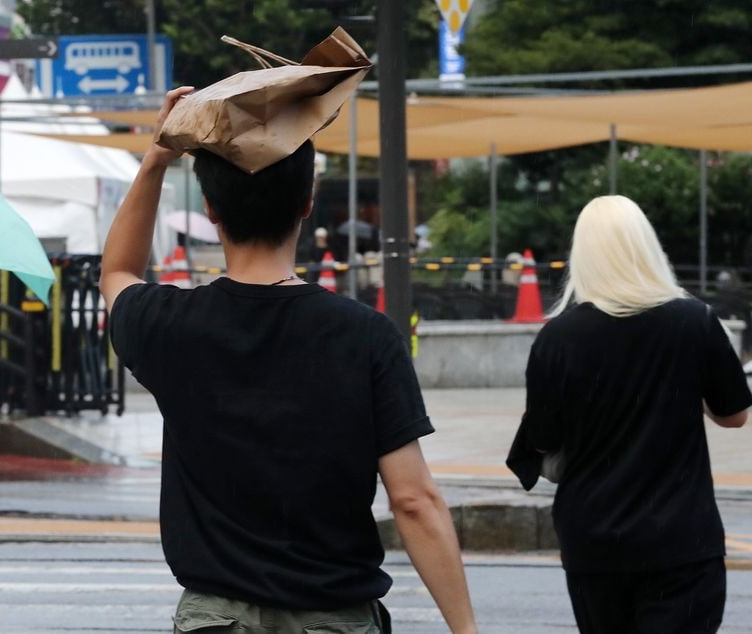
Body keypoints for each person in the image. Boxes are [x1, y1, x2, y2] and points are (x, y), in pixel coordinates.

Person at [101, 88, 477, 633]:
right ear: (308, 202)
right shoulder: (367, 337)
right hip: (335, 619)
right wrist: (465, 628)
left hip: (216, 619)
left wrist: (158, 156)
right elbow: (413, 499)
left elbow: (117, 272)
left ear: (210, 210)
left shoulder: (168, 325)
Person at [507, 195, 751, 634]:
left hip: (593, 539)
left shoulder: (557, 336)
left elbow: (543, 437)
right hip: (681, 537)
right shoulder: (694, 322)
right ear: (648, 247)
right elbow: (734, 416)